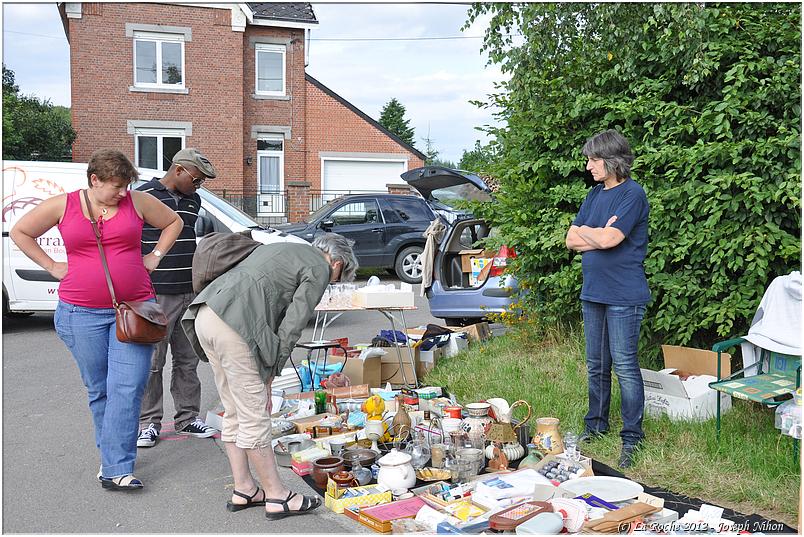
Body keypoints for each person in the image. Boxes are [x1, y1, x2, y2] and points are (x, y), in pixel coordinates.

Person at [10, 149, 183, 490]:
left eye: (126, 185)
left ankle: (117, 468)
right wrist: (52, 266)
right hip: (80, 314)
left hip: (134, 312)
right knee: (100, 389)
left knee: (129, 386)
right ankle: (112, 459)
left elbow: (172, 222)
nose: (122, 193)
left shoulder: (137, 202)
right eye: (116, 186)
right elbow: (20, 232)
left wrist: (155, 257)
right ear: (94, 180)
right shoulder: (64, 204)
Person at [181, 232, 357, 518]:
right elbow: (293, 323)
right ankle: (277, 495)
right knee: (254, 414)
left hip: (206, 315)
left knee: (235, 411)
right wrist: (272, 370)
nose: (331, 283)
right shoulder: (319, 266)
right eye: (337, 279)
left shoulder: (285, 248)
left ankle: (245, 489)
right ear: (337, 263)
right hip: (235, 325)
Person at [564, 129, 650, 469]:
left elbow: (613, 238)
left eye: (593, 160)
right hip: (594, 292)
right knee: (597, 366)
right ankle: (596, 426)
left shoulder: (633, 195)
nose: (588, 166)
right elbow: (571, 238)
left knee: (626, 367)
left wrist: (598, 235)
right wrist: (593, 235)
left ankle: (632, 438)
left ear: (611, 161)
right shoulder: (594, 196)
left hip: (624, 294)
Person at [136, 148, 218, 448]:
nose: (199, 187)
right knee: (153, 362)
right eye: (196, 180)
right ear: (179, 170)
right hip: (155, 293)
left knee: (187, 360)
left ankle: (187, 418)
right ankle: (148, 423)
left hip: (189, 291)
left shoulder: (193, 200)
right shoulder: (144, 196)